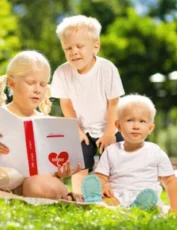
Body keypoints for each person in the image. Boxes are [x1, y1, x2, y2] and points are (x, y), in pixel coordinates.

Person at [0, 50, 82, 200]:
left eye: (43, 84)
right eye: (31, 83)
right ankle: (20, 200)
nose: (37, 89)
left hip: (34, 186)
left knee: (45, 186)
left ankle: (22, 199)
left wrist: (60, 173)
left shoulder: (47, 123)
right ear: (12, 83)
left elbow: (48, 174)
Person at [50, 15, 125, 194]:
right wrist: (76, 129)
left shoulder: (107, 69)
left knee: (119, 162)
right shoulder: (62, 73)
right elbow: (66, 104)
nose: (74, 52)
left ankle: (119, 196)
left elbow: (113, 103)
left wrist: (109, 132)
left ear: (96, 46)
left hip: (110, 126)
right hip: (82, 129)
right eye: (68, 48)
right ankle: (80, 196)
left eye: (79, 46)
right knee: (79, 163)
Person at [81, 94, 177, 212]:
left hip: (146, 197)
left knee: (153, 207)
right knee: (107, 203)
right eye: (130, 120)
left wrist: (175, 209)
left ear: (150, 128)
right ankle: (95, 200)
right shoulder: (111, 151)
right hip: (117, 196)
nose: (136, 126)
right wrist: (103, 186)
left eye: (142, 121)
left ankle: (138, 208)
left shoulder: (156, 152)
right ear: (118, 126)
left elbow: (170, 182)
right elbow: (101, 176)